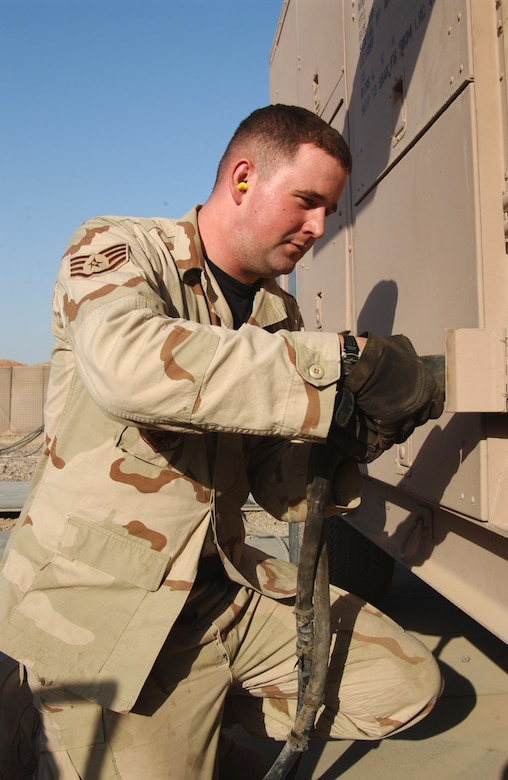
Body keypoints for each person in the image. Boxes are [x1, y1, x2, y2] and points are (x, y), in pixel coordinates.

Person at [0, 104, 443, 779]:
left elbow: (279, 486)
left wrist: (356, 434)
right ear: (242, 179)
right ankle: (39, 710)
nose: (320, 227)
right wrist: (337, 366)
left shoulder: (278, 315)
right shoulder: (120, 248)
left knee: (407, 686)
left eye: (329, 210)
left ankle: (187, 720)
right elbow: (128, 367)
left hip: (221, 593)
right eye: (307, 201)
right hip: (107, 606)